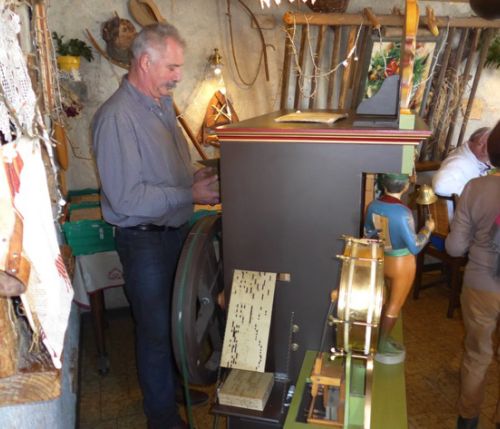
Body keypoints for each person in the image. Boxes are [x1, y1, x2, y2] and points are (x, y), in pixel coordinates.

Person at [92, 23, 219, 429]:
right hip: (145, 241)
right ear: (145, 63)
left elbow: (166, 172)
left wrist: (196, 178)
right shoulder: (117, 117)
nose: (178, 76)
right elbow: (126, 199)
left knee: (177, 324)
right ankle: (161, 417)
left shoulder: (161, 106)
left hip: (174, 233)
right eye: (172, 67)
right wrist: (189, 193)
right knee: (155, 332)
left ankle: (175, 387)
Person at [446, 121, 500, 429]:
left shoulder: (476, 187)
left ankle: (468, 420)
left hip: (481, 284)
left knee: (477, 355)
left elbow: (454, 248)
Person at [364, 173, 435, 364]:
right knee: (394, 305)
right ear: (405, 187)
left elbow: (368, 233)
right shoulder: (402, 212)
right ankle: (382, 342)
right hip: (402, 263)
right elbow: (415, 246)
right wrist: (427, 229)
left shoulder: (373, 205)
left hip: (383, 258)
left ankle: (379, 336)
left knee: (383, 301)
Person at [432, 127, 491, 199]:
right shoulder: (459, 162)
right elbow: (439, 185)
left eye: (489, 146)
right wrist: (475, 193)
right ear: (470, 142)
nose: (485, 150)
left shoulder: (474, 160)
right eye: (480, 144)